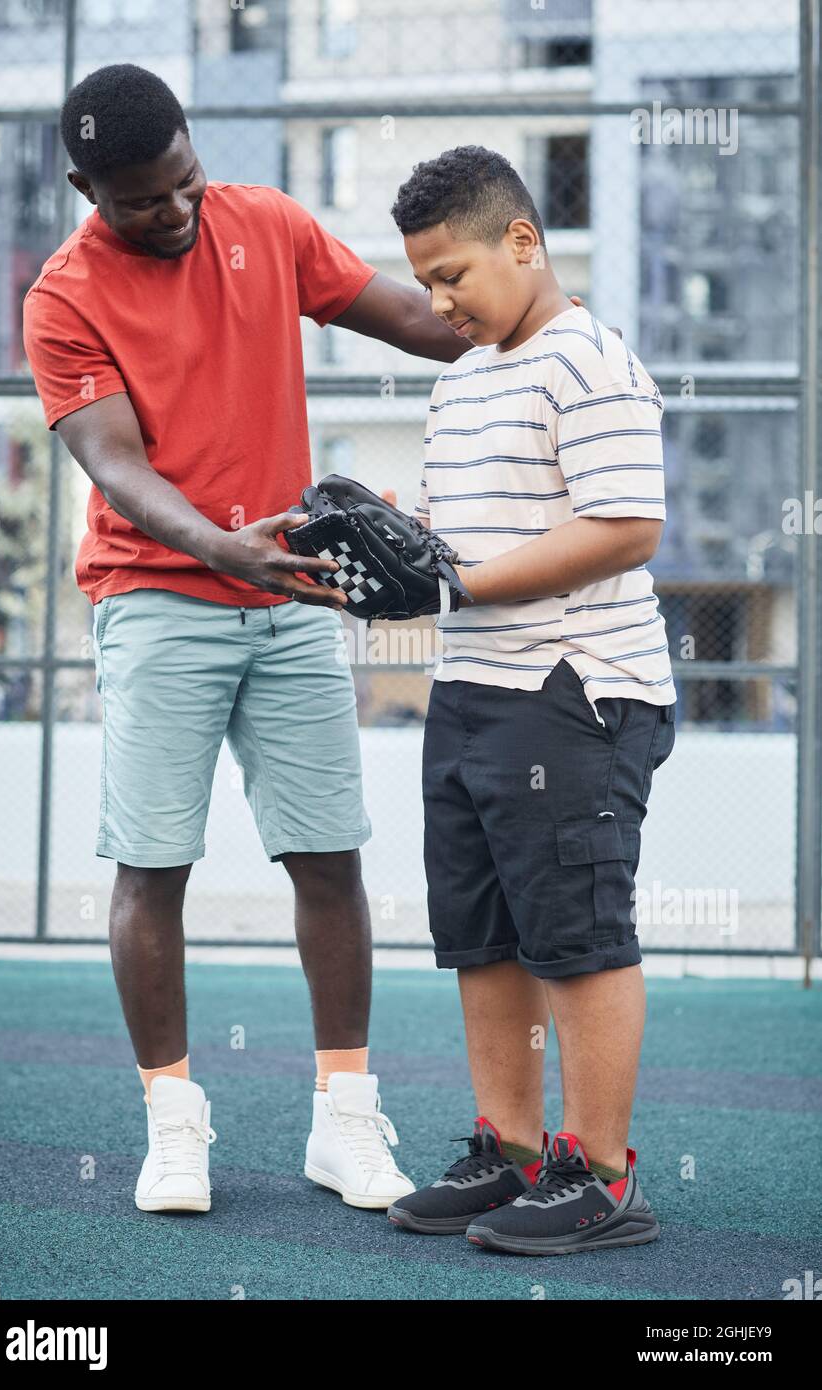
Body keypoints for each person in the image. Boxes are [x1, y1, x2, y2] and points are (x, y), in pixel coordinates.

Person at [21, 64, 471, 1216]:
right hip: (158, 598)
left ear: (191, 149)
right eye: (140, 202)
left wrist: (528, 305)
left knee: (328, 856)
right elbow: (114, 462)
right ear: (87, 188)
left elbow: (421, 323)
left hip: (291, 599)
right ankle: (175, 1125)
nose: (173, 211)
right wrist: (221, 548)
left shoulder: (263, 223)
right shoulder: (62, 294)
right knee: (152, 868)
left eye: (183, 182)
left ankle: (343, 1118)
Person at [385, 145, 677, 1254]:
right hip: (469, 687)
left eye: (452, 272)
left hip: (571, 692)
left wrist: (453, 576)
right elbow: (454, 541)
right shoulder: (459, 379)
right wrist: (385, 544)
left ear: (521, 239)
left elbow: (623, 526)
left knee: (578, 935)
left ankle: (599, 1178)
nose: (439, 299)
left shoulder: (585, 361)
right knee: (482, 933)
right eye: (422, 283)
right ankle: (508, 1151)